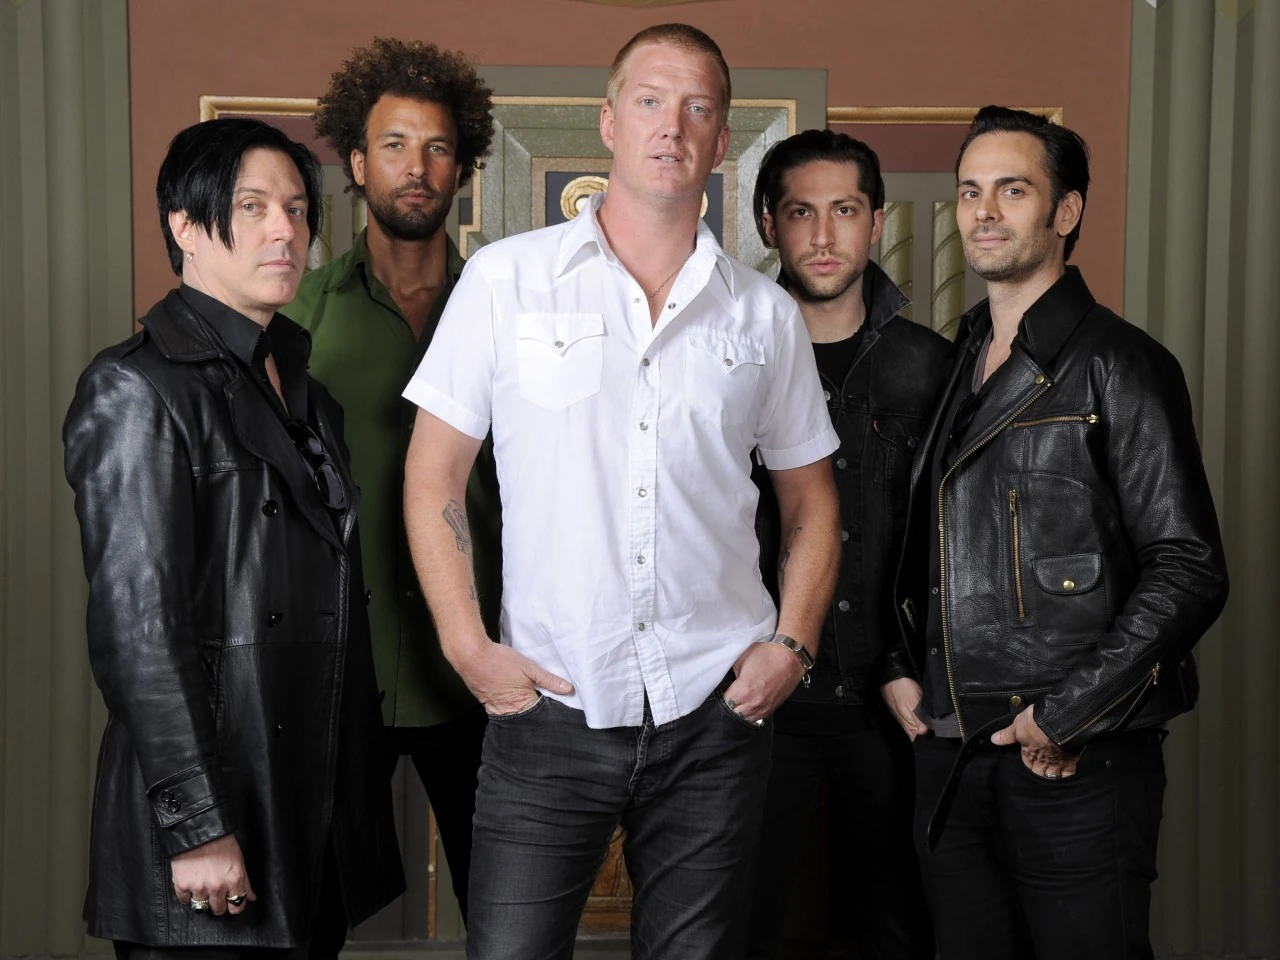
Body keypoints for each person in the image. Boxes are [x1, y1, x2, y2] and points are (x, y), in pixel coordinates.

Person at [402, 23, 841, 960]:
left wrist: (792, 646)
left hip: (716, 711)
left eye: (697, 107)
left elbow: (812, 504)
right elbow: (432, 475)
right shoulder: (505, 282)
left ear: (722, 140)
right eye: (649, 101)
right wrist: (466, 645)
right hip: (546, 706)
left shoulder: (765, 316)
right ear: (608, 122)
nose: (671, 126)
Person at [880, 106, 1229, 960]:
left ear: (1065, 212)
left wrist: (1067, 715)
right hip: (952, 754)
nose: (984, 211)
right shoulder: (958, 360)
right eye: (971, 191)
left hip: (1071, 758)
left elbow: (1189, 566)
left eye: (1013, 190)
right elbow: (927, 542)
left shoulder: (1122, 362)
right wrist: (896, 665)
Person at [63, 118, 404, 958]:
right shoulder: (135, 388)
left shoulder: (309, 395)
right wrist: (197, 826)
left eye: (296, 208)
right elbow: (138, 632)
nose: (284, 230)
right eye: (251, 207)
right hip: (215, 815)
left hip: (309, 808)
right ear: (185, 225)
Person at [280, 38, 497, 921]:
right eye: (396, 145)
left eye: (438, 147)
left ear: (462, 168)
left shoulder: (509, 312)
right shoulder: (298, 317)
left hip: (482, 669)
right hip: (339, 675)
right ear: (359, 162)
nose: (418, 167)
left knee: (511, 918)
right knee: (313, 915)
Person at [744, 130, 943, 960]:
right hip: (754, 695)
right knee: (737, 929)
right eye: (801, 213)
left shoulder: (933, 368)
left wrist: (920, 669)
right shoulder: (729, 360)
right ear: (768, 225)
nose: (824, 236)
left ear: (877, 221)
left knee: (899, 931)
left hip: (892, 698)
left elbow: (951, 542)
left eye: (846, 211)